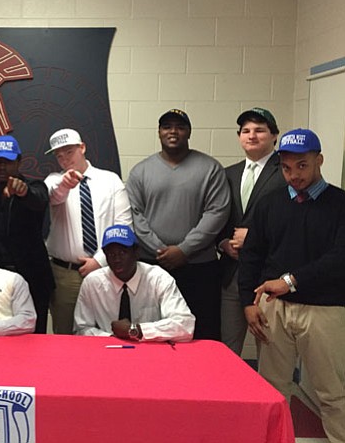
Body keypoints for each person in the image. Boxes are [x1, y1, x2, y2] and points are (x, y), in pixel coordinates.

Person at [239, 128, 345, 442]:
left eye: (302, 166)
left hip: (324, 309)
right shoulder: (270, 203)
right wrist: (248, 302)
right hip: (273, 308)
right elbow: (252, 254)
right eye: (286, 167)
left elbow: (339, 257)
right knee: (272, 388)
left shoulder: (339, 203)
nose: (294, 175)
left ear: (319, 161)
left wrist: (290, 281)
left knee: (333, 391)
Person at [126, 109, 230, 340]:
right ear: (159, 132)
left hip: (199, 267)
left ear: (189, 132)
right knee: (151, 331)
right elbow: (134, 215)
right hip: (152, 265)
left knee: (202, 333)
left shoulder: (210, 168)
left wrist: (184, 250)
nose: (173, 131)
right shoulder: (140, 171)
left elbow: (217, 212)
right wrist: (160, 250)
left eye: (180, 127)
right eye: (167, 127)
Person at [44, 128, 132, 335]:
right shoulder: (54, 180)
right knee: (64, 333)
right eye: (59, 155)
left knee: (106, 330)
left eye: (69, 152)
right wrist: (65, 185)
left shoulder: (110, 181)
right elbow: (53, 194)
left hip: (106, 269)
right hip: (66, 275)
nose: (64, 159)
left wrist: (99, 260)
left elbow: (123, 226)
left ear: (82, 148)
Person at [217, 108, 285, 355]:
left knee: (271, 351)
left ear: (274, 135)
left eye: (260, 130)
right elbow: (219, 220)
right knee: (227, 349)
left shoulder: (286, 173)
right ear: (239, 137)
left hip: (268, 276)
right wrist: (223, 243)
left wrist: (255, 238)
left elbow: (290, 222)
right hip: (232, 274)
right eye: (246, 131)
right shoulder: (228, 174)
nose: (252, 136)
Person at [0, 135, 54, 333]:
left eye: (7, 162)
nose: (1, 167)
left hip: (33, 278)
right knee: (3, 332)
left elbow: (39, 200)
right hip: (1, 280)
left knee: (35, 336)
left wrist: (23, 192)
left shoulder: (36, 187)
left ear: (19, 162)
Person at [74, 224, 194, 341]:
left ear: (136, 253)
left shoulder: (158, 278)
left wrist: (136, 330)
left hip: (150, 350)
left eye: (122, 253)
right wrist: (109, 338)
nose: (117, 259)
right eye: (111, 254)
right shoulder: (92, 282)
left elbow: (185, 324)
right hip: (107, 351)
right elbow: (81, 329)